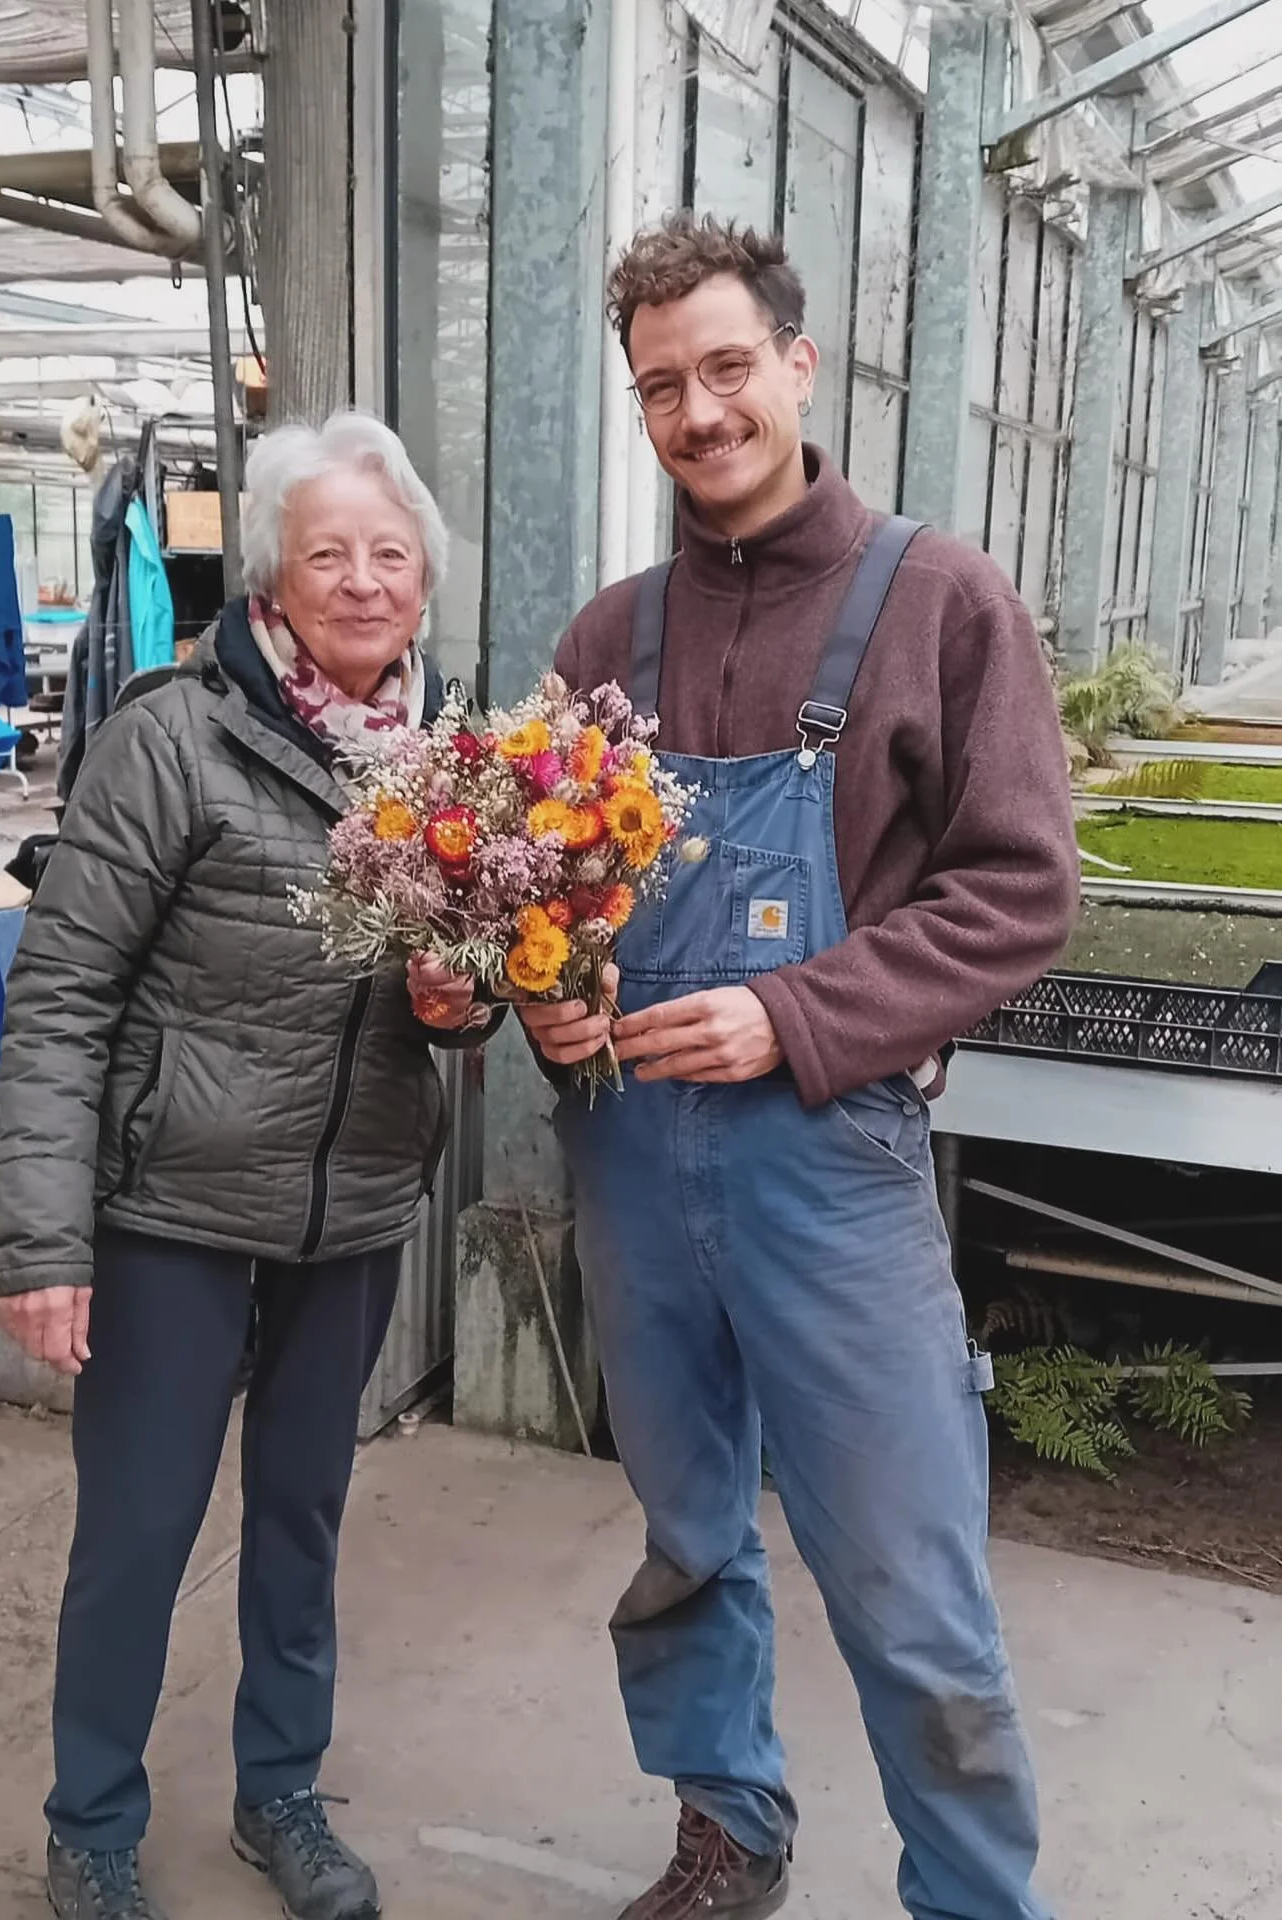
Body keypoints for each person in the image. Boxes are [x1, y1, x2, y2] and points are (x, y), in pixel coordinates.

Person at [520, 213, 1078, 1920]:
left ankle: (976, 1900)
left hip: (828, 1164)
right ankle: (728, 1827)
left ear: (799, 364)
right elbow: (532, 883)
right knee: (689, 1537)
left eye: (728, 369)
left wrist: (800, 1014)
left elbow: (1021, 892)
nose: (700, 413)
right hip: (632, 1152)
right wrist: (537, 988)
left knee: (908, 1583)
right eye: (662, 387)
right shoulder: (605, 637)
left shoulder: (940, 598)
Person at [0, 413, 498, 1920]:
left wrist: (465, 1000)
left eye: (389, 555)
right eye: (327, 551)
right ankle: (90, 1817)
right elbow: (65, 990)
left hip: (349, 1215)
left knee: (303, 1517)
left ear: (424, 581)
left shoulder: (456, 764)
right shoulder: (175, 736)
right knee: (140, 1529)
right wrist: (43, 1243)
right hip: (171, 1215)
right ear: (272, 568)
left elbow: (450, 994)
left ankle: (282, 1793)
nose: (360, 581)